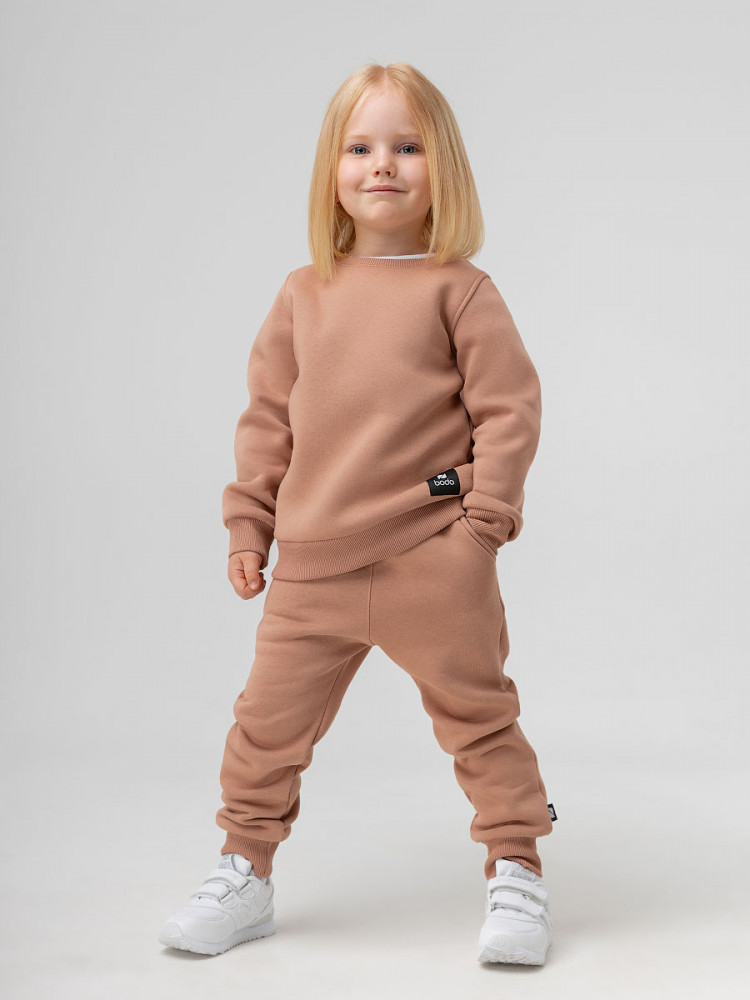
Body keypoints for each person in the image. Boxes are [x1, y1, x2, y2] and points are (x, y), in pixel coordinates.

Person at [160, 61, 557, 966]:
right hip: (311, 567)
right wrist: (249, 526)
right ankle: (244, 871)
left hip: (434, 558)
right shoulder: (303, 294)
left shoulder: (461, 289)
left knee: (481, 721)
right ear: (331, 171)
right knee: (265, 728)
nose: (383, 164)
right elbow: (267, 422)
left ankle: (517, 868)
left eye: (408, 147)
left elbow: (510, 411)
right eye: (361, 147)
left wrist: (482, 527)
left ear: (442, 169)